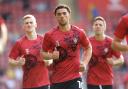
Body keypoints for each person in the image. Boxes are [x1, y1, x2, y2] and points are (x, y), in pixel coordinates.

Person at [41, 4, 92, 89]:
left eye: (64, 13)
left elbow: (88, 48)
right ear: (56, 16)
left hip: (75, 77)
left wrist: (84, 63)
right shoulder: (49, 35)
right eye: (59, 14)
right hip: (57, 80)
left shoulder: (79, 32)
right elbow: (42, 53)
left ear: (69, 14)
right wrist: (51, 56)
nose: (62, 16)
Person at [8, 14, 50, 89]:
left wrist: (49, 61)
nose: (29, 24)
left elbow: (51, 56)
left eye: (31, 22)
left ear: (35, 25)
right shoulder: (19, 43)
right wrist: (18, 63)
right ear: (23, 27)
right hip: (28, 85)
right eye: (26, 23)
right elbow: (10, 60)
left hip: (45, 83)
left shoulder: (44, 40)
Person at [86, 16, 124, 89]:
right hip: (92, 81)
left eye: (100, 25)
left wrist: (114, 62)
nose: (98, 26)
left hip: (107, 81)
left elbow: (121, 59)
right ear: (93, 27)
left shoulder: (111, 42)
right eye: (96, 25)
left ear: (104, 28)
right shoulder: (88, 42)